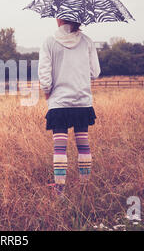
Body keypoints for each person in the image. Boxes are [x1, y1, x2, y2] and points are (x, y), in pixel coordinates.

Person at [38, 18, 101, 196]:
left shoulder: (49, 41)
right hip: (82, 101)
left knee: (59, 147)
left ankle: (59, 190)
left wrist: (47, 92)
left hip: (59, 103)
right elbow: (95, 72)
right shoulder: (87, 41)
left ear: (59, 19)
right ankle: (85, 187)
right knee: (83, 144)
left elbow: (44, 74)